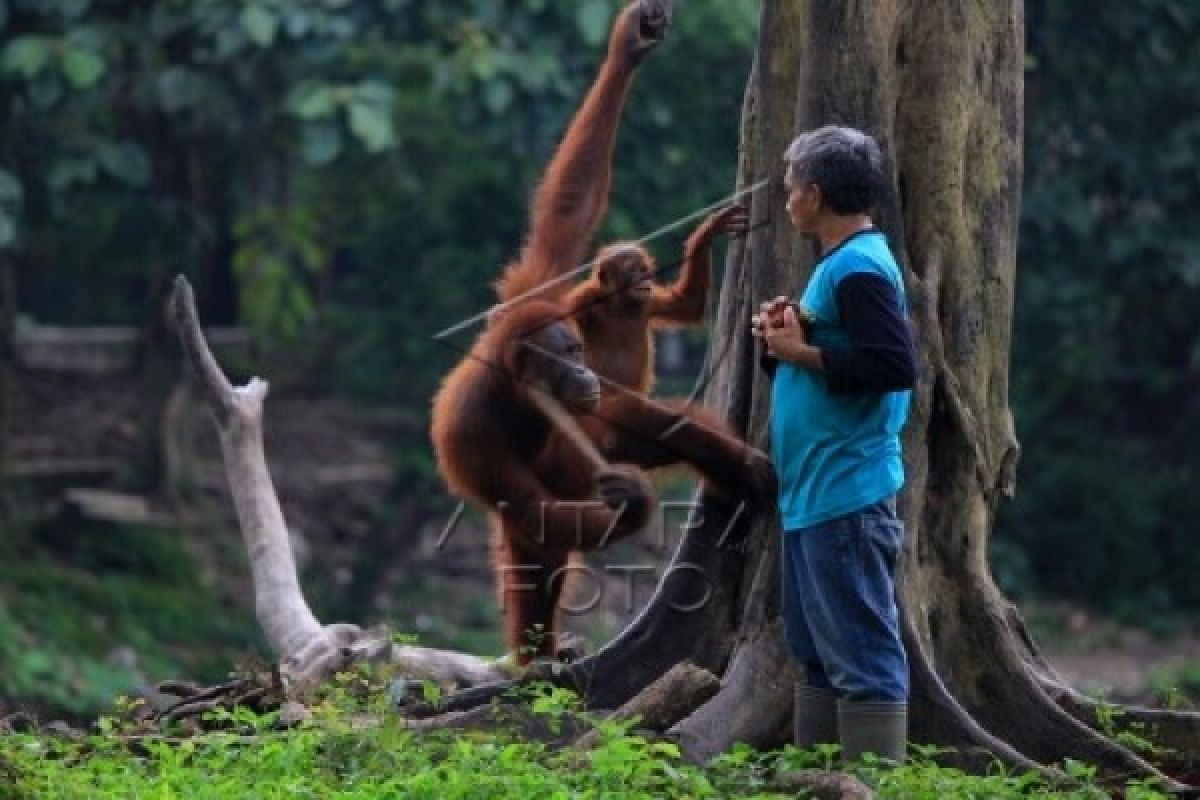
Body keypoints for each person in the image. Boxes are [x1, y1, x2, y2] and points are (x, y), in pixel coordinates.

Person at [751, 125, 917, 764]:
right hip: (814, 494)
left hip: (847, 493)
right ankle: (819, 779)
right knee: (817, 654)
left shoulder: (858, 269)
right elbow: (833, 365)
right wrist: (784, 345)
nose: (787, 198)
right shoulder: (839, 268)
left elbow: (893, 366)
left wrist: (800, 351)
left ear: (815, 194)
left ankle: (874, 781)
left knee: (863, 655)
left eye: (791, 186)